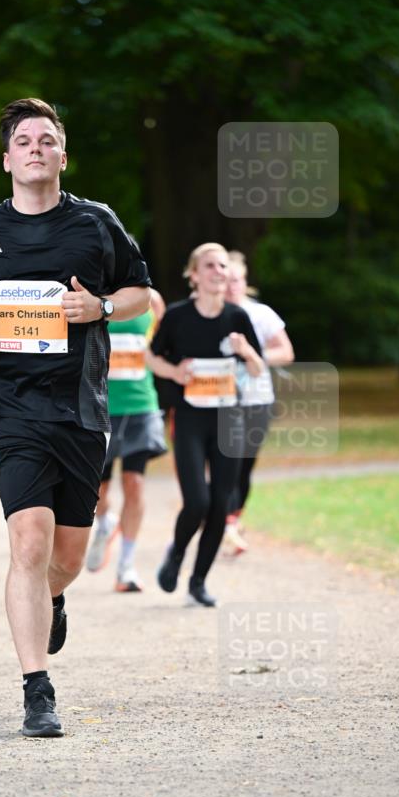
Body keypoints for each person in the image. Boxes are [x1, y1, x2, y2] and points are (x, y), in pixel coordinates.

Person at [0, 98, 151, 737]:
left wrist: (103, 309)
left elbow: (142, 291)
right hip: (10, 407)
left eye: (47, 140)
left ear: (62, 155)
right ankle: (37, 690)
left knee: (68, 558)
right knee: (27, 538)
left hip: (81, 409)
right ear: (7, 159)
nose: (35, 148)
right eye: (24, 140)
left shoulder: (95, 223)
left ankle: (55, 597)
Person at [146, 242, 263, 607]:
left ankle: (198, 582)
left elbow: (258, 370)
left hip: (230, 420)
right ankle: (177, 553)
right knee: (196, 501)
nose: (218, 272)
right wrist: (175, 371)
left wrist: (245, 351)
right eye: (210, 266)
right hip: (191, 420)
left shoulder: (237, 317)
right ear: (194, 275)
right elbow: (151, 357)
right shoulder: (178, 316)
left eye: (223, 266)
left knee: (219, 504)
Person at [86, 287, 167, 592]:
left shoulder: (150, 299)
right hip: (100, 407)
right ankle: (105, 523)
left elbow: (166, 345)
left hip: (140, 405)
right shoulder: (88, 296)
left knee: (134, 483)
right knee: (98, 491)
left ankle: (127, 567)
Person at [222, 251, 295, 555]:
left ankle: (232, 520)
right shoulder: (209, 314)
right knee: (227, 461)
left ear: (245, 281)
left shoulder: (261, 314)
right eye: (225, 280)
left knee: (244, 466)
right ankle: (225, 523)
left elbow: (286, 353)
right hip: (220, 401)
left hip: (258, 399)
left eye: (236, 280)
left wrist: (253, 356)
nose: (230, 286)